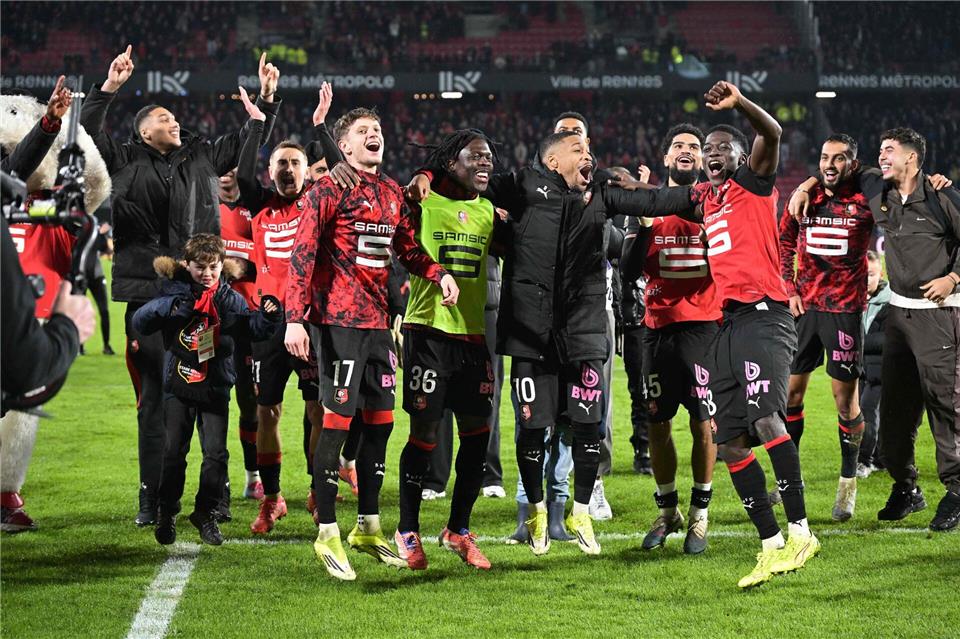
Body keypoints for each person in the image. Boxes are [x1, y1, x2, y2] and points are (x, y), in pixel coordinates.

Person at [409, 129, 699, 556]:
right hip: (530, 332)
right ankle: (537, 510)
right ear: (552, 161)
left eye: (589, 149)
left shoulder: (602, 192)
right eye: (577, 149)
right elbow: (467, 174)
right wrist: (426, 172)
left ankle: (580, 511)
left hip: (583, 330)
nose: (588, 154)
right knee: (532, 425)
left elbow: (657, 202)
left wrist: (708, 194)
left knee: (588, 424)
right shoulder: (522, 186)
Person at [80, 46, 281, 525]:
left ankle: (216, 497)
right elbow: (87, 133)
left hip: (205, 295)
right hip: (148, 295)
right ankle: (150, 498)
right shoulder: (122, 158)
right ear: (143, 130)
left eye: (174, 117)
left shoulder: (202, 154)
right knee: (153, 400)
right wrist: (108, 89)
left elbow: (247, 140)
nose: (174, 121)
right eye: (164, 118)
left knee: (214, 393)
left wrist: (266, 100)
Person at [284, 107, 459, 581]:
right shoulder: (327, 190)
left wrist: (438, 272)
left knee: (381, 423)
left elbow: (408, 248)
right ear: (344, 146)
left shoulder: (390, 193)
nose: (373, 135)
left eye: (377, 129)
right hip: (337, 323)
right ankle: (326, 531)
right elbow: (301, 256)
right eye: (362, 131)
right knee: (336, 425)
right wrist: (294, 320)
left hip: (378, 325)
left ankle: (367, 526)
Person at [671, 81, 817, 588]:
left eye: (721, 148)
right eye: (707, 150)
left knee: (767, 418)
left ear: (740, 157)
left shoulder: (753, 184)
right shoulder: (708, 202)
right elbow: (662, 197)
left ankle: (801, 532)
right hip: (727, 323)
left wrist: (741, 104)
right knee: (729, 440)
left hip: (764, 316)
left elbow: (771, 132)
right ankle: (771, 545)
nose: (712, 155)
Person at [790, 128, 960, 531]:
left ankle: (956, 492)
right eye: (880, 150)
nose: (881, 157)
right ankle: (906, 487)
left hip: (939, 315)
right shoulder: (875, 186)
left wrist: (953, 278)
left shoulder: (943, 197)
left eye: (889, 151)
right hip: (899, 314)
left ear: (912, 158)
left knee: (945, 407)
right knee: (894, 409)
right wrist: (805, 184)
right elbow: (837, 169)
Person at [392, 129, 501, 571]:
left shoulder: (490, 211)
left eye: (489, 157)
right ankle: (407, 529)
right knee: (425, 434)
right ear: (451, 164)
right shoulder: (423, 201)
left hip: (473, 335)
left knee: (477, 435)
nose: (485, 163)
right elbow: (403, 246)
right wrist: (438, 274)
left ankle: (458, 530)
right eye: (475, 157)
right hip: (428, 331)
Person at [133, 234, 282, 546]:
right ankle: (167, 512)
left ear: (221, 265)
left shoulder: (229, 299)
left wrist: (270, 315)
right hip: (179, 385)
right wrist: (172, 307)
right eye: (200, 267)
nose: (207, 273)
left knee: (216, 454)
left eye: (213, 267)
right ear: (187, 265)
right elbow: (141, 321)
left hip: (215, 386)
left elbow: (251, 329)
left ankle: (206, 513)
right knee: (174, 453)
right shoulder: (173, 292)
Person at [621, 124, 719, 555]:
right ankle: (667, 511)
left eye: (694, 147)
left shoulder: (716, 204)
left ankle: (699, 514)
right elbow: (628, 270)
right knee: (657, 424)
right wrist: (644, 225)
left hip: (705, 328)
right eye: (679, 145)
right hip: (657, 329)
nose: (687, 150)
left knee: (704, 423)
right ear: (666, 158)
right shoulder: (647, 205)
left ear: (703, 159)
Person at [235, 90, 325, 535]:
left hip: (311, 322)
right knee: (266, 411)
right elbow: (242, 170)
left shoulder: (319, 200)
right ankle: (272, 499)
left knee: (318, 411)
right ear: (270, 172)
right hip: (269, 324)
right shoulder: (261, 204)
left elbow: (339, 169)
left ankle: (317, 490)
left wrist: (321, 126)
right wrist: (256, 122)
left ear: (308, 170)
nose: (288, 169)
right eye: (280, 164)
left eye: (295, 163)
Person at [778, 134, 874, 522]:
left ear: (853, 163)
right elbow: (784, 241)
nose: (829, 164)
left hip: (845, 310)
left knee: (844, 401)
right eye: (824, 157)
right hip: (804, 308)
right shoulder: (806, 197)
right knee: (790, 395)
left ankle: (848, 484)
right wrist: (788, 288)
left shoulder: (866, 200)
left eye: (839, 158)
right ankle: (789, 479)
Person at [218, 168, 263, 503]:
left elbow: (269, 262)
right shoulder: (206, 210)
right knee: (212, 402)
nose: (226, 173)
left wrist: (240, 266)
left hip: (250, 320)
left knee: (251, 402)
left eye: (232, 166)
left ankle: (253, 476)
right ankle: (216, 479)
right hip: (213, 321)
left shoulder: (256, 209)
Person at [858, 251, 890, 478]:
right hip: (860, 370)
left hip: (881, 372)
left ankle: (863, 462)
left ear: (881, 274)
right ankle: (880, 459)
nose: (866, 280)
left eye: (870, 274)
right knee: (872, 415)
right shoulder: (852, 301)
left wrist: (856, 343)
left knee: (867, 414)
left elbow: (889, 339)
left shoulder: (892, 302)